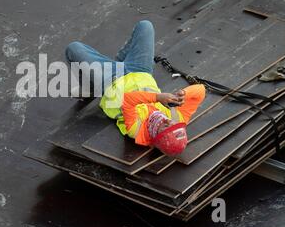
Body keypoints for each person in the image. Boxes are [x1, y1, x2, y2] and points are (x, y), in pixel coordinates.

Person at [65, 20, 206, 156]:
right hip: (140, 70)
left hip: (111, 81)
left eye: (166, 127)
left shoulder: (136, 130)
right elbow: (200, 90)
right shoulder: (177, 118)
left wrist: (158, 97)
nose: (169, 121)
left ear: (157, 136)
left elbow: (129, 99)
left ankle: (92, 87)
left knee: (73, 48)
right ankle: (119, 61)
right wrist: (182, 94)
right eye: (174, 125)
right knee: (145, 26)